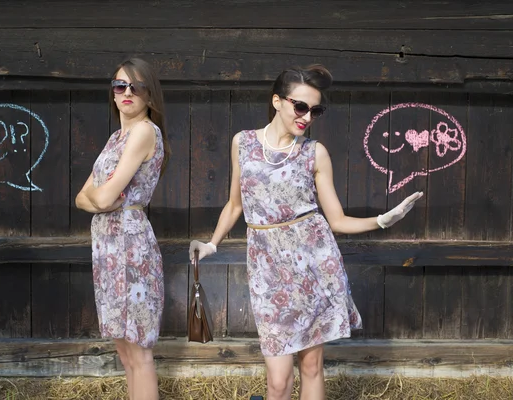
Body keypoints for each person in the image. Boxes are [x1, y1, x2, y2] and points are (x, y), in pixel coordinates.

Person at [189, 65, 423, 400]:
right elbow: (235, 205)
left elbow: (338, 220)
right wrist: (212, 243)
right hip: (268, 272)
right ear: (277, 101)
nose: (307, 116)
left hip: (315, 268)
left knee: (312, 367)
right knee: (278, 381)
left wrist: (383, 220)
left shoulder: (315, 153)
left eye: (315, 110)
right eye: (301, 106)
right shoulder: (243, 143)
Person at [75, 57, 170, 400]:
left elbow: (103, 198)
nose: (127, 92)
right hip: (107, 245)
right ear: (112, 93)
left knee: (139, 351)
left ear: (149, 95)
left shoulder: (144, 131)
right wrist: (98, 199)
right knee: (125, 351)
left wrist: (100, 199)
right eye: (120, 85)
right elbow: (83, 199)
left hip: (130, 244)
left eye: (136, 86)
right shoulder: (117, 137)